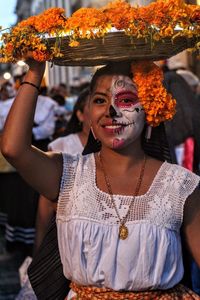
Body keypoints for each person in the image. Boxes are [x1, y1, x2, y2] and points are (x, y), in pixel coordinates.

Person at [1, 58, 200, 300]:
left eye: (125, 100)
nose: (111, 111)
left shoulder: (181, 186)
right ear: (87, 115)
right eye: (99, 100)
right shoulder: (68, 174)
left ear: (149, 110)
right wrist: (34, 73)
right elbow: (13, 148)